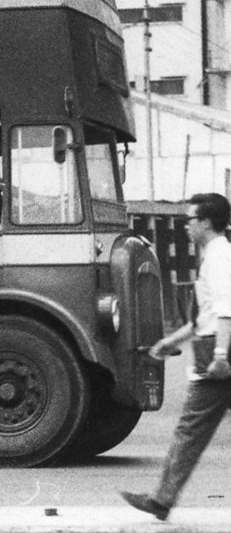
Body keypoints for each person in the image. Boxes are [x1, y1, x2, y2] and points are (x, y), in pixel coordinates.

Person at [121, 192, 231, 521]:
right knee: (191, 431)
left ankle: (162, 499)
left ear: (207, 223)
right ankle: (162, 498)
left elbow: (226, 311)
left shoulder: (220, 257)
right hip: (212, 346)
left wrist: (222, 355)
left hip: (218, 352)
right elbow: (205, 316)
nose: (186, 226)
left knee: (190, 430)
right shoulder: (216, 255)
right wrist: (171, 341)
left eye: (191, 220)